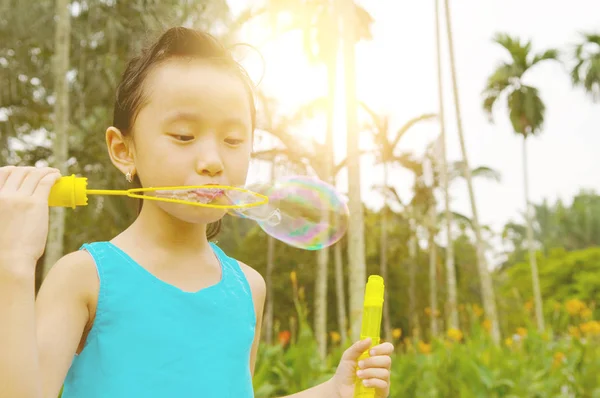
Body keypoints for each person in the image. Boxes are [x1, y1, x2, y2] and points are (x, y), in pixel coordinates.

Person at [0, 27, 393, 398]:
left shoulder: (248, 287)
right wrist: (14, 264)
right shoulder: (83, 277)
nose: (212, 161)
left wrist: (332, 390)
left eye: (233, 139)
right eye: (184, 136)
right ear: (123, 150)